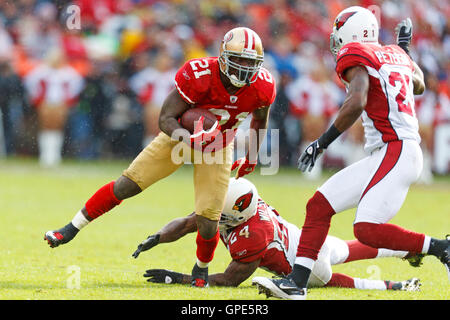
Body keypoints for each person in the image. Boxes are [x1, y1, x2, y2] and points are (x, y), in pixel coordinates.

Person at [44, 27, 276, 287]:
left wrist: (251, 156)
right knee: (127, 184)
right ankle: (71, 228)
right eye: (240, 60)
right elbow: (165, 118)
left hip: (218, 145)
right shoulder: (198, 73)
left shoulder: (262, 85)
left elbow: (259, 120)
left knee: (209, 219)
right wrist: (188, 139)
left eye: (250, 62)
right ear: (223, 56)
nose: (245, 68)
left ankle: (200, 270)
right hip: (181, 137)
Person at [254, 8, 449, 300]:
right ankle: (297, 283)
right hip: (389, 151)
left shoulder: (356, 52)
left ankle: (441, 248)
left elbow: (356, 101)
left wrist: (322, 142)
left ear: (353, 33)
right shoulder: (394, 53)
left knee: (366, 229)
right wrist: (404, 51)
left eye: (339, 32)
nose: (336, 40)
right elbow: (418, 84)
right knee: (319, 205)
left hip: (396, 148)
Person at [134, 178, 421, 292]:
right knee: (348, 249)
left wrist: (179, 277)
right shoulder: (240, 203)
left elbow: (229, 280)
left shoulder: (253, 236)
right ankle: (407, 250)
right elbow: (187, 223)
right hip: (304, 239)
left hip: (305, 265)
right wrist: (158, 237)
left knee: (331, 281)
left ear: (236, 214)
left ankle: (395, 287)